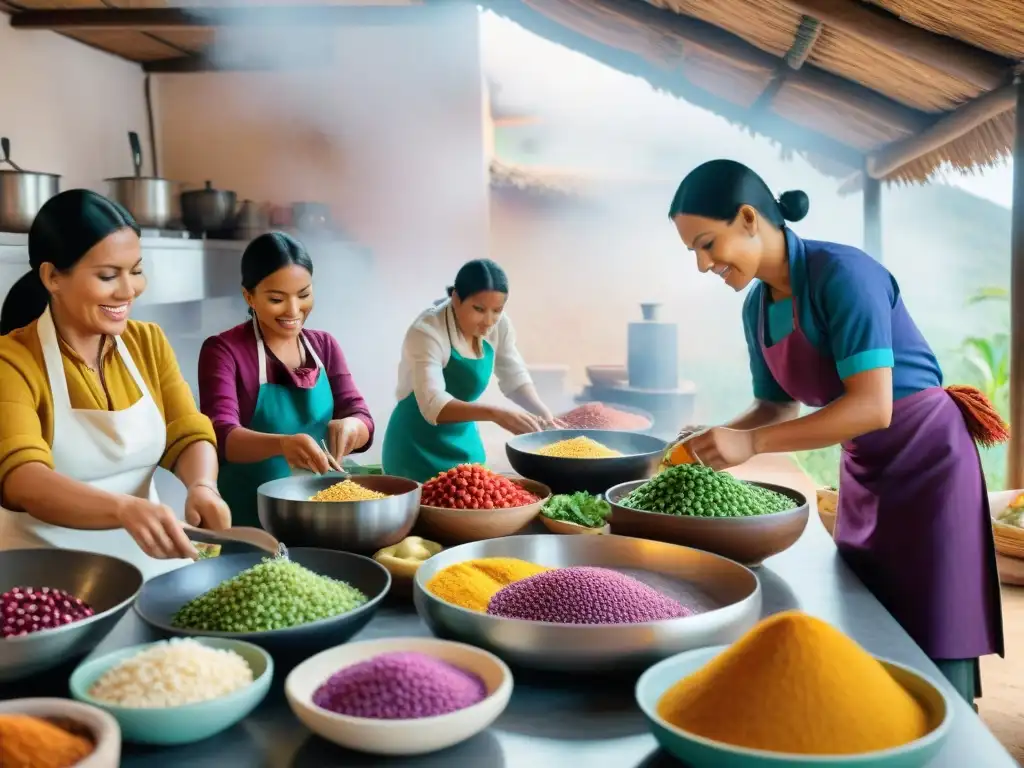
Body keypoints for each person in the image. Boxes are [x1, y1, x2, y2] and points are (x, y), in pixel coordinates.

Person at [667, 159, 1005, 706]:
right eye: (694, 253)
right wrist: (719, 435)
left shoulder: (843, 274)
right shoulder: (758, 304)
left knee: (933, 616)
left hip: (927, 461)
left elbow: (873, 407)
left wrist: (748, 445)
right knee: (869, 611)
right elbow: (775, 407)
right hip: (866, 468)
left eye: (708, 244)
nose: (705, 264)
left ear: (749, 218)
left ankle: (949, 739)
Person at [0, 189, 230, 580]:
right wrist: (123, 509)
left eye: (136, 271)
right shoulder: (12, 361)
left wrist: (203, 485)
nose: (129, 291)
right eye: (108, 276)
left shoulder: (148, 342)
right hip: (50, 583)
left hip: (153, 570)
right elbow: (23, 479)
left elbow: (187, 431)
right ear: (52, 277)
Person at [198, 232, 374, 527]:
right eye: (277, 299)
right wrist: (282, 444)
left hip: (320, 515)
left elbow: (361, 415)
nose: (294, 311)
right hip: (248, 518)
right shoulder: (223, 351)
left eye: (304, 295)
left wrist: (353, 428)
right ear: (249, 296)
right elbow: (221, 435)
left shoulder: (324, 346)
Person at [382, 258, 558, 483]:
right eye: (479, 309)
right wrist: (496, 414)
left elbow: (514, 377)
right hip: (414, 446)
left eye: (497, 310)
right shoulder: (427, 330)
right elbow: (433, 406)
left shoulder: (499, 325)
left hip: (463, 440)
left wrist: (543, 412)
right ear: (456, 298)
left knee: (474, 495)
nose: (489, 321)